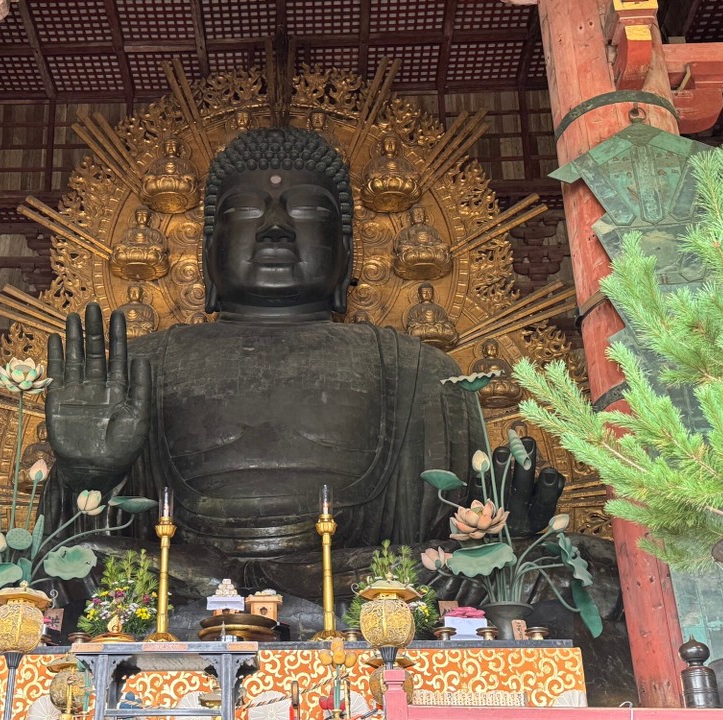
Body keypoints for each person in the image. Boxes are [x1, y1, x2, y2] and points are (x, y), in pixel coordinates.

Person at [42, 128, 486, 596]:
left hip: (360, 579)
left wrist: (509, 521)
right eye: (245, 211)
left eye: (309, 211)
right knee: (62, 563)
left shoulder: (421, 370)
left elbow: (459, 530)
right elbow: (71, 542)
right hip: (181, 575)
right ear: (207, 251)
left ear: (348, 251)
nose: (276, 227)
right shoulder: (138, 368)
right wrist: (87, 475)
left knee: (526, 567)